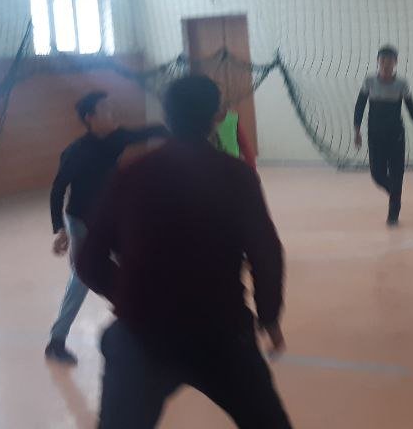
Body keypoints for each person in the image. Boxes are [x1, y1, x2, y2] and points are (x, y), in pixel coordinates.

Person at [78, 75, 291, 429]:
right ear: (216, 116)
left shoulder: (132, 174)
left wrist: (134, 300)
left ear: (167, 116)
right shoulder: (235, 176)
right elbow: (266, 254)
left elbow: (88, 260)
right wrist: (269, 317)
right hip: (221, 332)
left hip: (143, 336)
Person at [45, 91, 168, 365]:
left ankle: (144, 321)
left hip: (107, 216)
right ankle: (56, 341)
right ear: (90, 118)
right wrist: (60, 229)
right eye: (106, 110)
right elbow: (57, 191)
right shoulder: (76, 152)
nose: (113, 114)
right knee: (82, 277)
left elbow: (151, 131)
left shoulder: (117, 137)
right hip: (80, 222)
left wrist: (178, 130)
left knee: (133, 262)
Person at [354, 45, 413, 226]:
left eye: (390, 61)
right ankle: (395, 193)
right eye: (383, 61)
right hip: (375, 135)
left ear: (396, 63)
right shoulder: (369, 81)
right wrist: (357, 130)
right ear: (378, 62)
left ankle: (393, 214)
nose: (386, 64)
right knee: (377, 175)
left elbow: (411, 107)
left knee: (397, 174)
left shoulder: (402, 84)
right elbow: (360, 105)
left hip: (396, 135)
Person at [212, 102, 257, 170]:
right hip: (232, 163)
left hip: (218, 165)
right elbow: (245, 146)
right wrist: (252, 169)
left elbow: (245, 146)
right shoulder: (232, 118)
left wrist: (252, 169)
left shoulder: (232, 119)